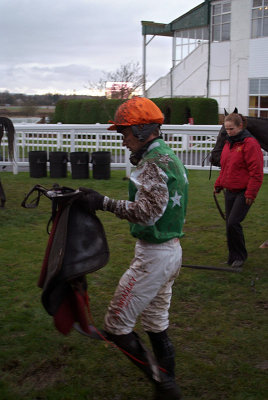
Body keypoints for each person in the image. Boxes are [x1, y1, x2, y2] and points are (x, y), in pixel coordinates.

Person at [80, 97, 188, 400]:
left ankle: (165, 387)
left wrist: (102, 202)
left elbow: (147, 213)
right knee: (155, 322)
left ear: (142, 130)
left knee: (116, 325)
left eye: (125, 132)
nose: (123, 140)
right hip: (170, 251)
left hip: (154, 256)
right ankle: (168, 384)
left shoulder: (152, 164)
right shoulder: (168, 156)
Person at [214, 113, 263, 268]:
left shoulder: (250, 144)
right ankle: (233, 256)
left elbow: (256, 171)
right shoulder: (229, 144)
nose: (229, 132)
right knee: (229, 224)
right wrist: (219, 184)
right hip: (230, 190)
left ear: (240, 126)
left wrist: (251, 193)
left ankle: (240, 256)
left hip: (244, 191)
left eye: (232, 129)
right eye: (227, 129)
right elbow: (226, 167)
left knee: (233, 223)